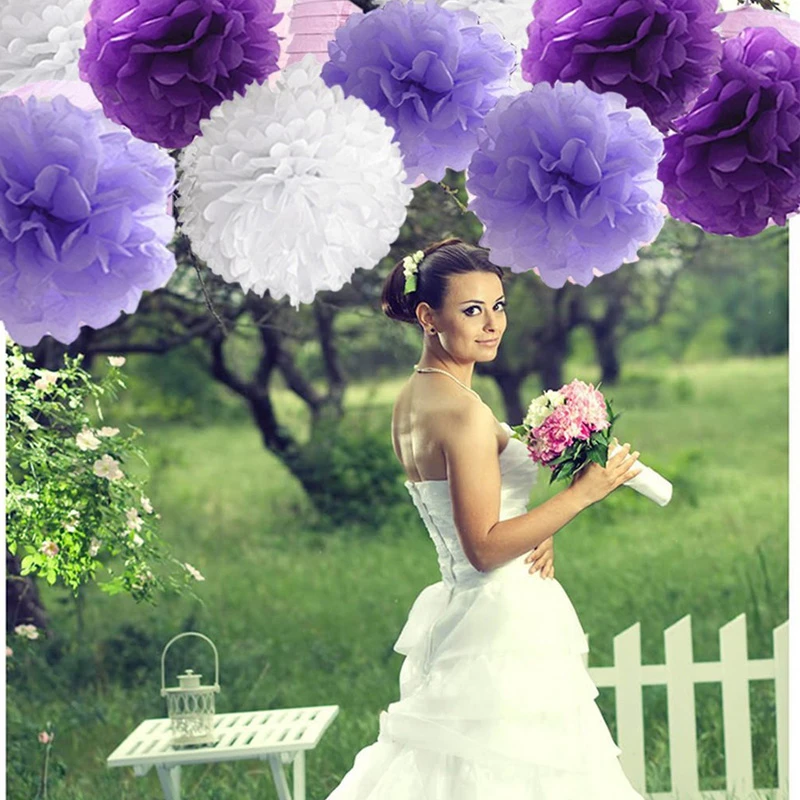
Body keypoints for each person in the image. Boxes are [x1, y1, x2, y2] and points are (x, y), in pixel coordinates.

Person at [324, 238, 645, 799]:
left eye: (498, 306)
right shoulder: (463, 412)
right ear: (428, 316)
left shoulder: (416, 397)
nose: (492, 323)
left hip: (468, 603)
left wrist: (539, 532)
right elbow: (486, 547)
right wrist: (583, 493)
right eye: (472, 310)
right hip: (501, 617)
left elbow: (482, 525)